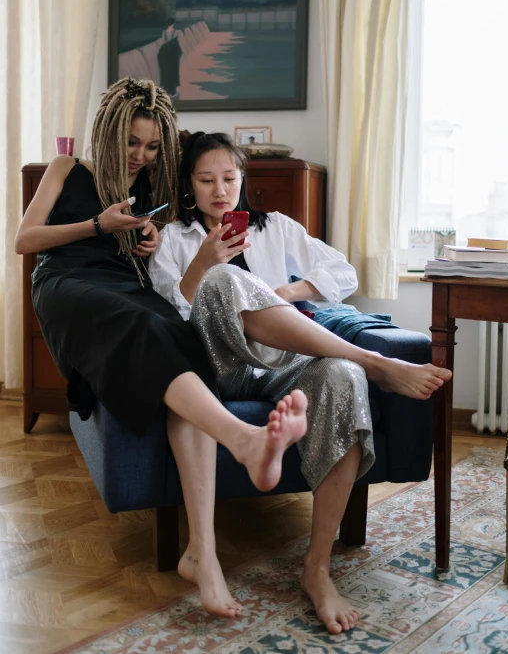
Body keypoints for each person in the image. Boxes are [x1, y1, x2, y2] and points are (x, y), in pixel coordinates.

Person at [14, 78, 311, 607]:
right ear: (108, 131)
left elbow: (157, 248)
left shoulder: (153, 183)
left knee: (178, 340)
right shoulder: (66, 169)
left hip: (125, 283)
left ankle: (203, 553)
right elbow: (24, 241)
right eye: (132, 142)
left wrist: (145, 241)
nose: (141, 156)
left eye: (152, 146)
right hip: (67, 283)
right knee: (140, 326)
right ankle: (243, 440)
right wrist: (96, 225)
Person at [149, 131, 453, 635]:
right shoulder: (174, 239)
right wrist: (204, 265)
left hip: (282, 360)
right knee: (224, 280)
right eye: (206, 180)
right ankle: (376, 361)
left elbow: (341, 272)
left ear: (244, 180)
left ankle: (317, 569)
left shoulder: (277, 229)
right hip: (218, 367)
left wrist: (275, 293)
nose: (219, 189)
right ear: (189, 185)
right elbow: (170, 318)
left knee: (342, 374)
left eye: (229, 178)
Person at [158, 16, 182, 98]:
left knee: (166, 72)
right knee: (174, 72)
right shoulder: (176, 32)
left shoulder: (164, 32)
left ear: (167, 24)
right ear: (173, 24)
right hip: (173, 54)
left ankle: (166, 91)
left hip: (165, 54)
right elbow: (177, 43)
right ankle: (173, 92)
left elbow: (163, 42)